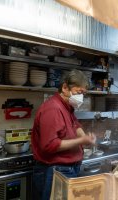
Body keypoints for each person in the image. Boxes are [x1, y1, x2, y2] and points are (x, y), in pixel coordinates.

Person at [31, 69, 96, 200]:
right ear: (65, 87)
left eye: (83, 93)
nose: (81, 96)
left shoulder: (66, 106)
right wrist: (81, 140)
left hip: (67, 169)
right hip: (55, 171)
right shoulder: (53, 109)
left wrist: (85, 137)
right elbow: (49, 145)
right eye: (79, 92)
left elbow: (75, 125)